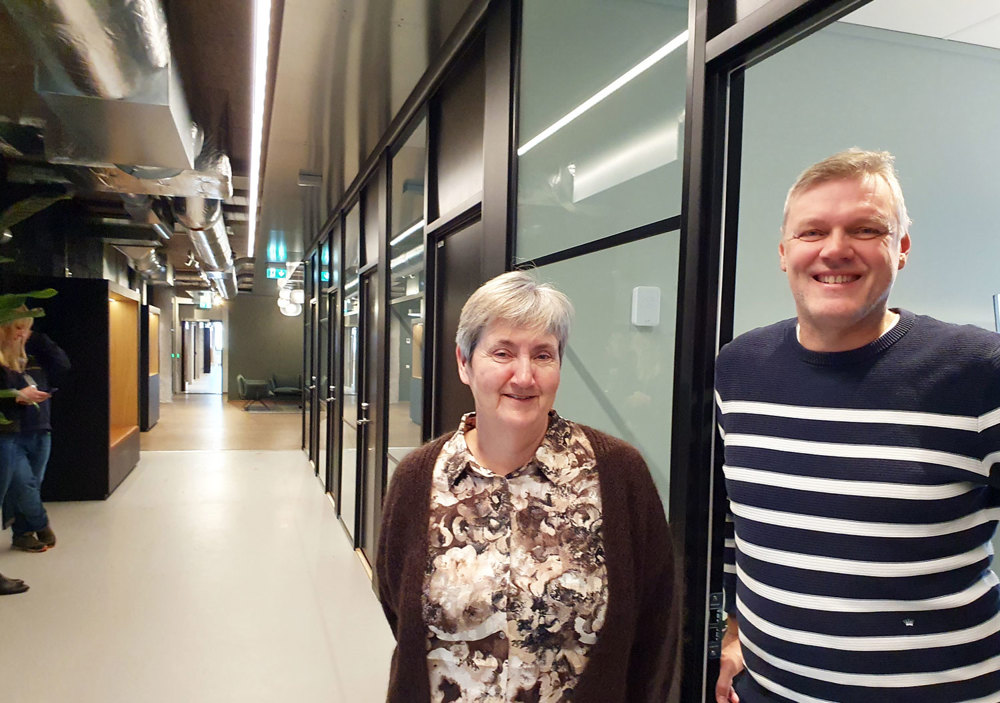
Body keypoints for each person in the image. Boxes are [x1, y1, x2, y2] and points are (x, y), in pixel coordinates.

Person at [714, 148, 1000, 702]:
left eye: (866, 229)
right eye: (812, 231)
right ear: (783, 252)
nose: (835, 249)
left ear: (902, 249)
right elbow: (742, 525)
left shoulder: (978, 371)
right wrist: (734, 629)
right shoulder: (739, 368)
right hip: (771, 691)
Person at [377, 270, 678, 702]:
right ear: (464, 363)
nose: (523, 376)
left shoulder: (617, 473)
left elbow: (656, 621)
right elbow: (397, 605)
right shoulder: (418, 478)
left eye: (542, 355)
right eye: (502, 353)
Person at [0, 311, 67, 553]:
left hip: (40, 426)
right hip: (12, 432)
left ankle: (23, 533)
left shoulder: (35, 353)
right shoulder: (4, 362)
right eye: (16, 328)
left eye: (25, 328)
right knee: (24, 484)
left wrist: (36, 338)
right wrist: (17, 398)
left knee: (33, 484)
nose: (21, 334)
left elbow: (62, 364)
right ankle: (40, 524)